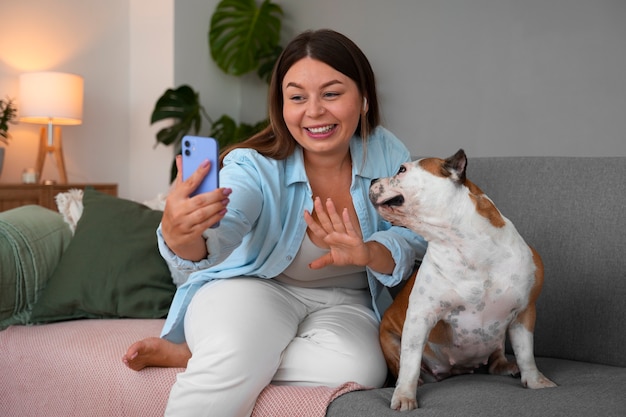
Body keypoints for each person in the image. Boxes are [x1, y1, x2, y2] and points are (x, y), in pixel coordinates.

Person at [123, 29, 427, 416]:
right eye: (297, 97)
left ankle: (200, 351)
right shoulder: (253, 165)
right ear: (281, 106)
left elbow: (414, 235)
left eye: (331, 94)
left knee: (361, 368)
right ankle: (223, 351)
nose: (314, 111)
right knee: (234, 350)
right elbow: (225, 226)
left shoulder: (387, 152)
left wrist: (369, 252)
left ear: (364, 99)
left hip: (346, 303)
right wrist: (183, 235)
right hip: (253, 289)